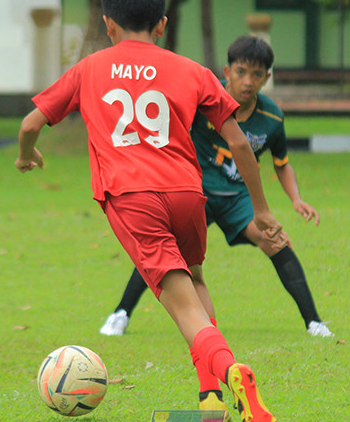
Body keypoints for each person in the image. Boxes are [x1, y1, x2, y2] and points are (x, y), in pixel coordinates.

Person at [15, 0, 282, 422]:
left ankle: (231, 372)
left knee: (184, 309)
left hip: (133, 199)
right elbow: (240, 144)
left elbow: (31, 123)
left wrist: (24, 154)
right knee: (196, 282)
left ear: (108, 24)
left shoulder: (90, 68)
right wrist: (261, 210)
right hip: (186, 195)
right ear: (162, 24)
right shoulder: (191, 70)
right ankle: (210, 397)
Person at [100, 35, 333, 339]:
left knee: (276, 242)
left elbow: (282, 162)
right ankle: (121, 313)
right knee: (165, 250)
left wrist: (296, 199)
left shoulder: (272, 117)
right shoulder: (202, 103)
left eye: (257, 74)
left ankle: (314, 322)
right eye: (241, 72)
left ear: (267, 78)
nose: (248, 81)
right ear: (227, 71)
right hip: (195, 192)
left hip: (238, 197)